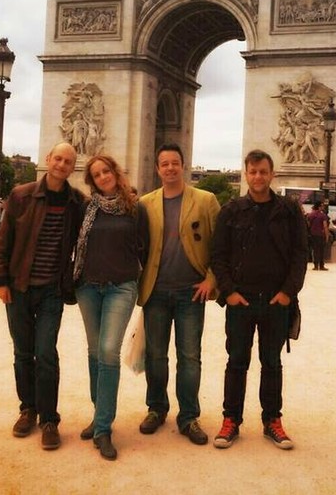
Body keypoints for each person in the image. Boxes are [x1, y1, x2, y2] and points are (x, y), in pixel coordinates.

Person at [210, 150, 308, 451]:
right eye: (253, 172)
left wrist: (288, 292)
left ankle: (272, 420)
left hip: (276, 300)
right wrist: (229, 292)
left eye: (263, 171)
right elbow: (218, 255)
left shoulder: (290, 211)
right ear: (246, 174)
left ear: (272, 174)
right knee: (236, 361)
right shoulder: (230, 211)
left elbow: (300, 254)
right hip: (241, 300)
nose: (258, 177)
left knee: (272, 363)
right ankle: (231, 419)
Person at [0, 142, 84, 450]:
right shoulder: (21, 195)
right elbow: (3, 240)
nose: (61, 165)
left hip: (51, 291)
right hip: (18, 286)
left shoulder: (76, 202)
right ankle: (27, 409)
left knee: (45, 353)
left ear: (73, 167)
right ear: (48, 159)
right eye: (58, 158)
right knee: (22, 352)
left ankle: (49, 419)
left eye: (68, 161)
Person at [138, 142, 220, 446]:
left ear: (183, 165)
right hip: (156, 291)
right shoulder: (144, 204)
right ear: (157, 169)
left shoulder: (206, 200)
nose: (170, 168)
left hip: (191, 292)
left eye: (175, 163)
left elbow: (220, 245)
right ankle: (156, 408)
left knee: (190, 357)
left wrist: (211, 278)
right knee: (155, 356)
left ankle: (188, 416)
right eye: (165, 164)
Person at [74, 154, 149, 461]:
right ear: (91, 181)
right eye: (97, 174)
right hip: (88, 287)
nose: (103, 176)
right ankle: (99, 414)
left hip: (121, 287)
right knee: (95, 352)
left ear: (116, 173)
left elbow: (145, 248)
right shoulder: (86, 208)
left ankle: (103, 427)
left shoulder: (136, 208)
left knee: (107, 351)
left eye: (106, 171)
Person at [305, 202, 329, 271]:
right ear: (319, 207)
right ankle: (321, 266)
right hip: (321, 235)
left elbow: (308, 225)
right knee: (321, 250)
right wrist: (327, 235)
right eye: (322, 206)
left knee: (315, 250)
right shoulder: (323, 215)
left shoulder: (310, 215)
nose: (323, 207)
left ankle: (315, 266)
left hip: (313, 235)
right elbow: (325, 226)